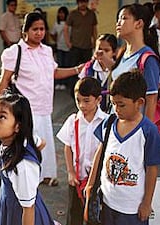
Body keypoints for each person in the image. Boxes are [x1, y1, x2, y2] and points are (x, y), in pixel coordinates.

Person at [0, 12, 82, 186]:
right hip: (25, 109)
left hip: (44, 107)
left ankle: (46, 175)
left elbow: (54, 73)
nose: (39, 33)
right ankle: (25, 178)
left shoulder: (47, 51)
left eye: (42, 29)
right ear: (25, 31)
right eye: (35, 29)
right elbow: (4, 80)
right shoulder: (15, 52)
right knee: (25, 144)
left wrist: (77, 69)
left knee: (45, 141)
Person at [86, 70, 160, 225]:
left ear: (139, 103)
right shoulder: (109, 123)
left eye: (122, 105)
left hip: (131, 208)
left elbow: (152, 169)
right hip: (106, 201)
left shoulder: (148, 131)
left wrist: (146, 203)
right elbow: (100, 152)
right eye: (113, 103)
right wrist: (91, 184)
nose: (116, 109)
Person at [0, 92, 56, 225]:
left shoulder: (23, 165)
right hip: (10, 206)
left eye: (2, 117)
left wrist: (30, 161)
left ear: (18, 126)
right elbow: (41, 142)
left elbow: (28, 208)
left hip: (23, 216)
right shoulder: (14, 141)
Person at [56, 77, 108, 225]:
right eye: (78, 100)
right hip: (77, 179)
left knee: (95, 215)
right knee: (74, 215)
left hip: (98, 180)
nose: (81, 105)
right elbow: (68, 147)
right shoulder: (73, 120)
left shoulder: (106, 121)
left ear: (98, 99)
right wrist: (70, 172)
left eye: (86, 101)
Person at [112, 3, 160, 121]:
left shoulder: (147, 58)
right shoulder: (123, 52)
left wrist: (146, 133)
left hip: (134, 128)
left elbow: (152, 99)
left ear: (139, 23)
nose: (118, 23)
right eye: (118, 19)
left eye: (124, 18)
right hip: (117, 124)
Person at [78, 33, 118, 111]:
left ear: (114, 52)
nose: (101, 53)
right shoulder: (88, 68)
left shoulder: (118, 70)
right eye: (99, 49)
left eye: (106, 50)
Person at [64, 0, 98, 82]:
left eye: (85, 2)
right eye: (81, 2)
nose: (83, 4)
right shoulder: (73, 14)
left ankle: (86, 90)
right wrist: (68, 42)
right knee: (74, 70)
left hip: (87, 46)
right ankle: (73, 90)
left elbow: (94, 29)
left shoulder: (91, 14)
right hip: (75, 46)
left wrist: (95, 42)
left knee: (87, 69)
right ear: (78, 3)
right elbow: (66, 28)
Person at [50, 6, 70, 91]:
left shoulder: (69, 23)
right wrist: (56, 40)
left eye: (63, 13)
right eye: (60, 12)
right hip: (59, 47)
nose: (61, 14)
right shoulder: (56, 23)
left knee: (66, 65)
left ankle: (64, 83)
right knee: (59, 65)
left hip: (68, 47)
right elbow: (52, 33)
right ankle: (58, 83)